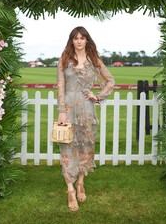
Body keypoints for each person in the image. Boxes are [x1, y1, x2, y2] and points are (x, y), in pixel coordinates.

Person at [57, 26, 115, 212]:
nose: (79, 41)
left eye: (82, 38)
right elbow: (60, 86)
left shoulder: (94, 61)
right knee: (67, 147)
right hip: (68, 109)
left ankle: (81, 181)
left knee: (85, 146)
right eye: (76, 38)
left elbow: (110, 81)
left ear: (87, 40)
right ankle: (70, 189)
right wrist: (61, 111)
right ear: (72, 41)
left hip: (87, 110)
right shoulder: (64, 60)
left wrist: (97, 96)